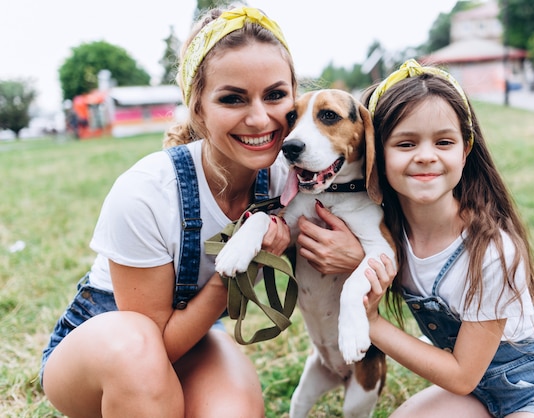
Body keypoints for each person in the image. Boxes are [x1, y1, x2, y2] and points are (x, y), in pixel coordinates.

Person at [40, 6, 361, 417]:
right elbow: (158, 348)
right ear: (198, 109)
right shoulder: (146, 193)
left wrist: (355, 255)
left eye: (276, 95)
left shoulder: (295, 175)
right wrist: (234, 273)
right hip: (107, 345)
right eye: (232, 98)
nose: (260, 118)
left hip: (195, 336)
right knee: (138, 356)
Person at [360, 59, 534, 418]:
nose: (426, 156)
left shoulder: (491, 250)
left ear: (465, 149)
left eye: (444, 141)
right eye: (406, 143)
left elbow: (460, 376)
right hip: (481, 394)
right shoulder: (389, 234)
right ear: (377, 152)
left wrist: (370, 323)